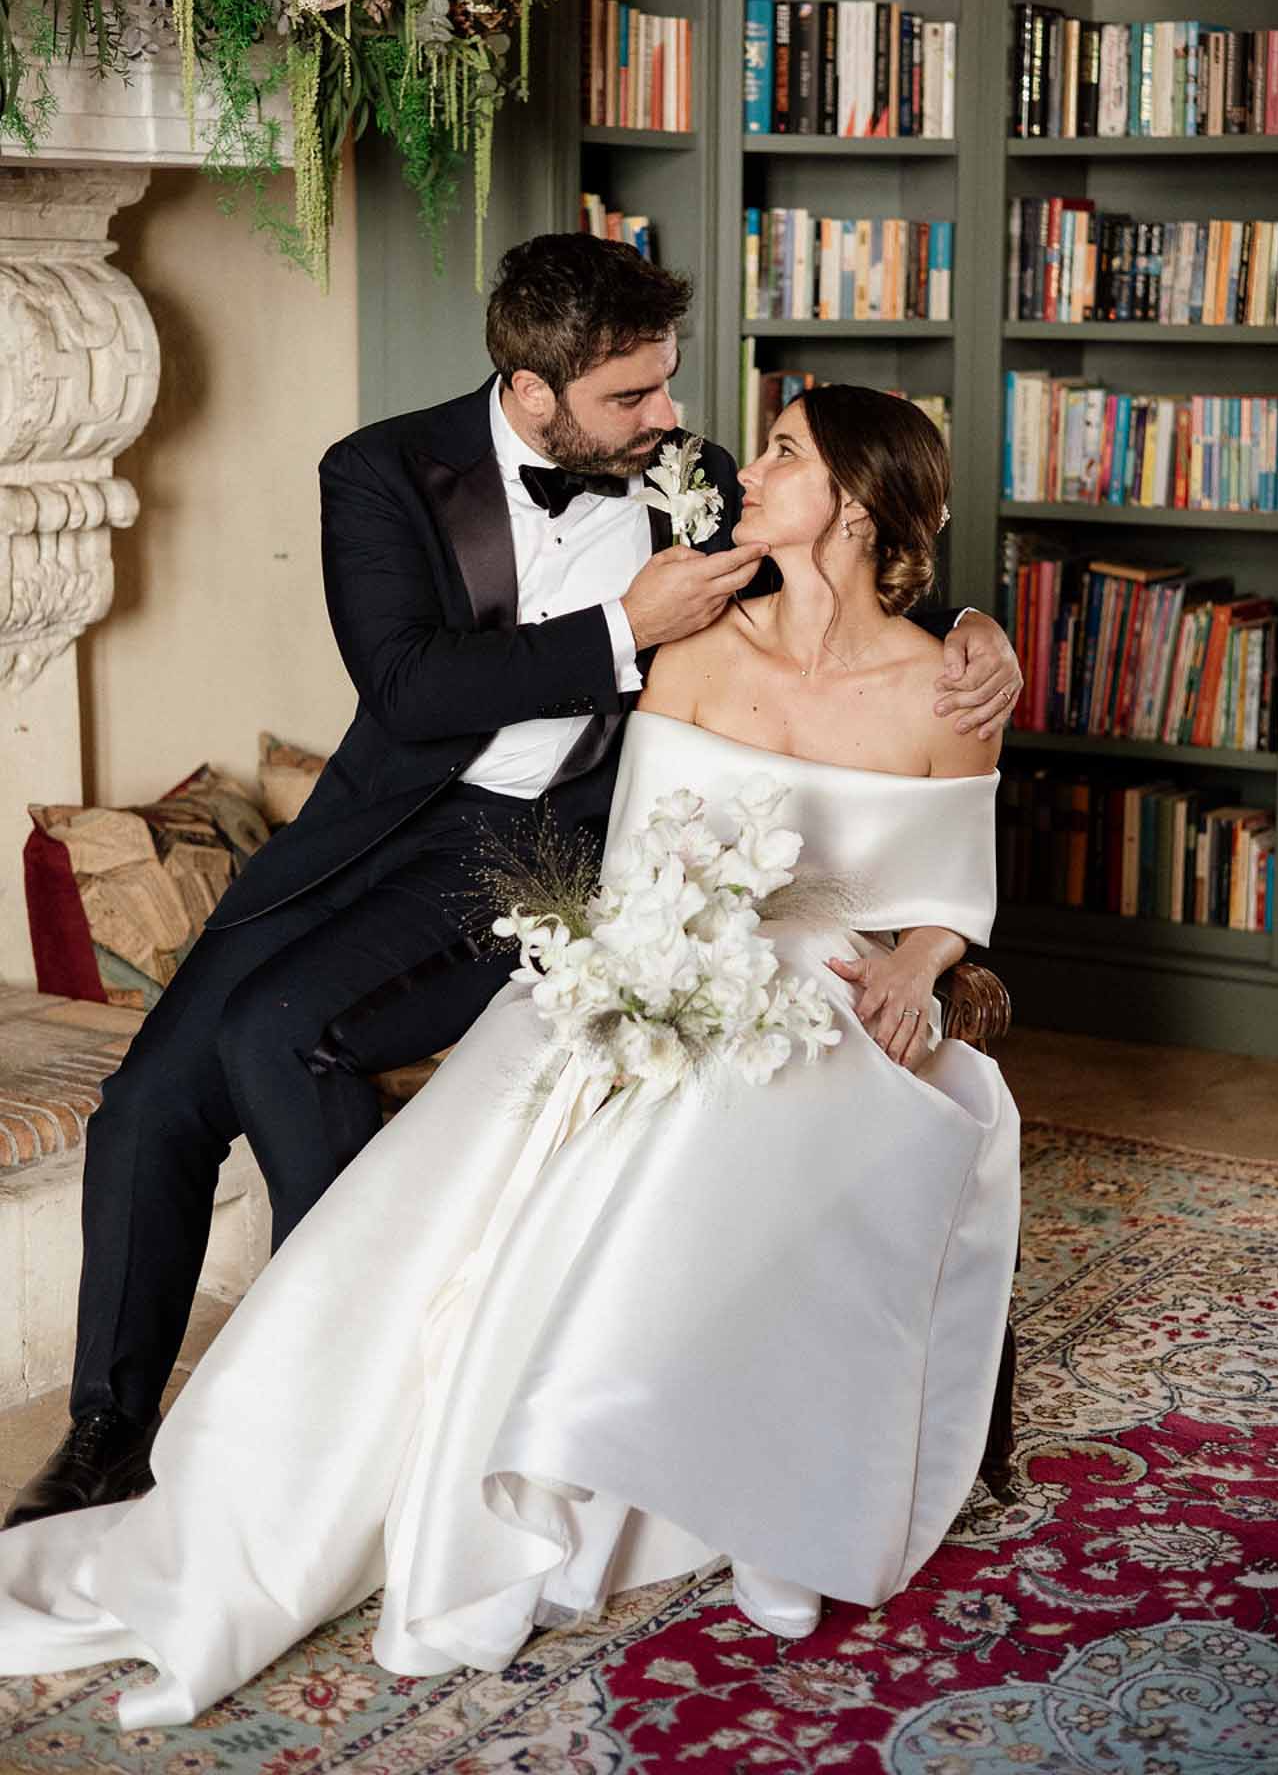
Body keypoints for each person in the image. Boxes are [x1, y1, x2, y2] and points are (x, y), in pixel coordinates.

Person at [0, 384, 1019, 1722]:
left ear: (859, 499)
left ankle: (764, 1489)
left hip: (822, 976)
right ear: (542, 383)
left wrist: (915, 961)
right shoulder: (696, 645)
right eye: (739, 435)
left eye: (782, 452)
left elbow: (950, 887)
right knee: (533, 1130)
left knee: (822, 1109)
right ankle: (485, 1457)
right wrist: (648, 968)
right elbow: (643, 851)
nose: (734, 456)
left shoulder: (949, 683)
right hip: (645, 947)